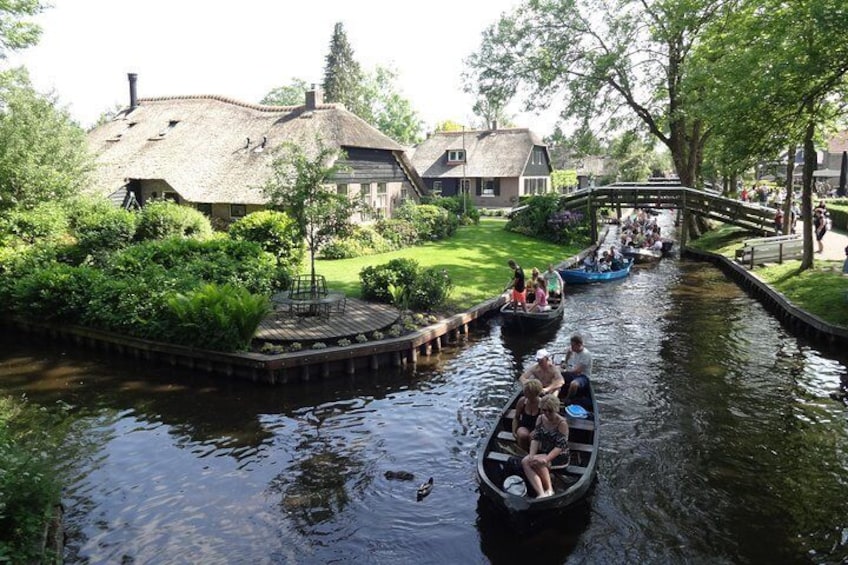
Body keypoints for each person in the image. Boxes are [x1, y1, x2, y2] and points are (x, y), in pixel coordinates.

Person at [521, 394, 570, 499]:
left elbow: (560, 446)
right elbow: (536, 438)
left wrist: (546, 459)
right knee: (526, 461)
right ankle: (541, 493)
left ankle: (549, 490)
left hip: (559, 456)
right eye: (544, 410)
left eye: (550, 411)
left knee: (540, 462)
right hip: (544, 451)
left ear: (555, 409)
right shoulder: (540, 418)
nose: (547, 413)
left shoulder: (562, 423)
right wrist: (532, 454)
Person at [559, 334, 593, 410]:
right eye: (571, 345)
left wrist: (565, 371)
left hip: (583, 376)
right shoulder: (573, 349)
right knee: (558, 375)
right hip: (573, 373)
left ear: (579, 345)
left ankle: (568, 399)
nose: (571, 347)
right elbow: (569, 351)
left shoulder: (586, 355)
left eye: (573, 345)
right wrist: (565, 362)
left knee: (574, 384)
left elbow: (577, 371)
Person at [512, 378, 543, 451]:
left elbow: (544, 423)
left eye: (527, 392)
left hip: (537, 428)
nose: (525, 393)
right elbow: (516, 417)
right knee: (522, 434)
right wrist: (514, 431)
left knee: (533, 436)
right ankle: (523, 451)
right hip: (524, 425)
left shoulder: (542, 404)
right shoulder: (522, 401)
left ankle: (534, 452)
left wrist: (537, 431)